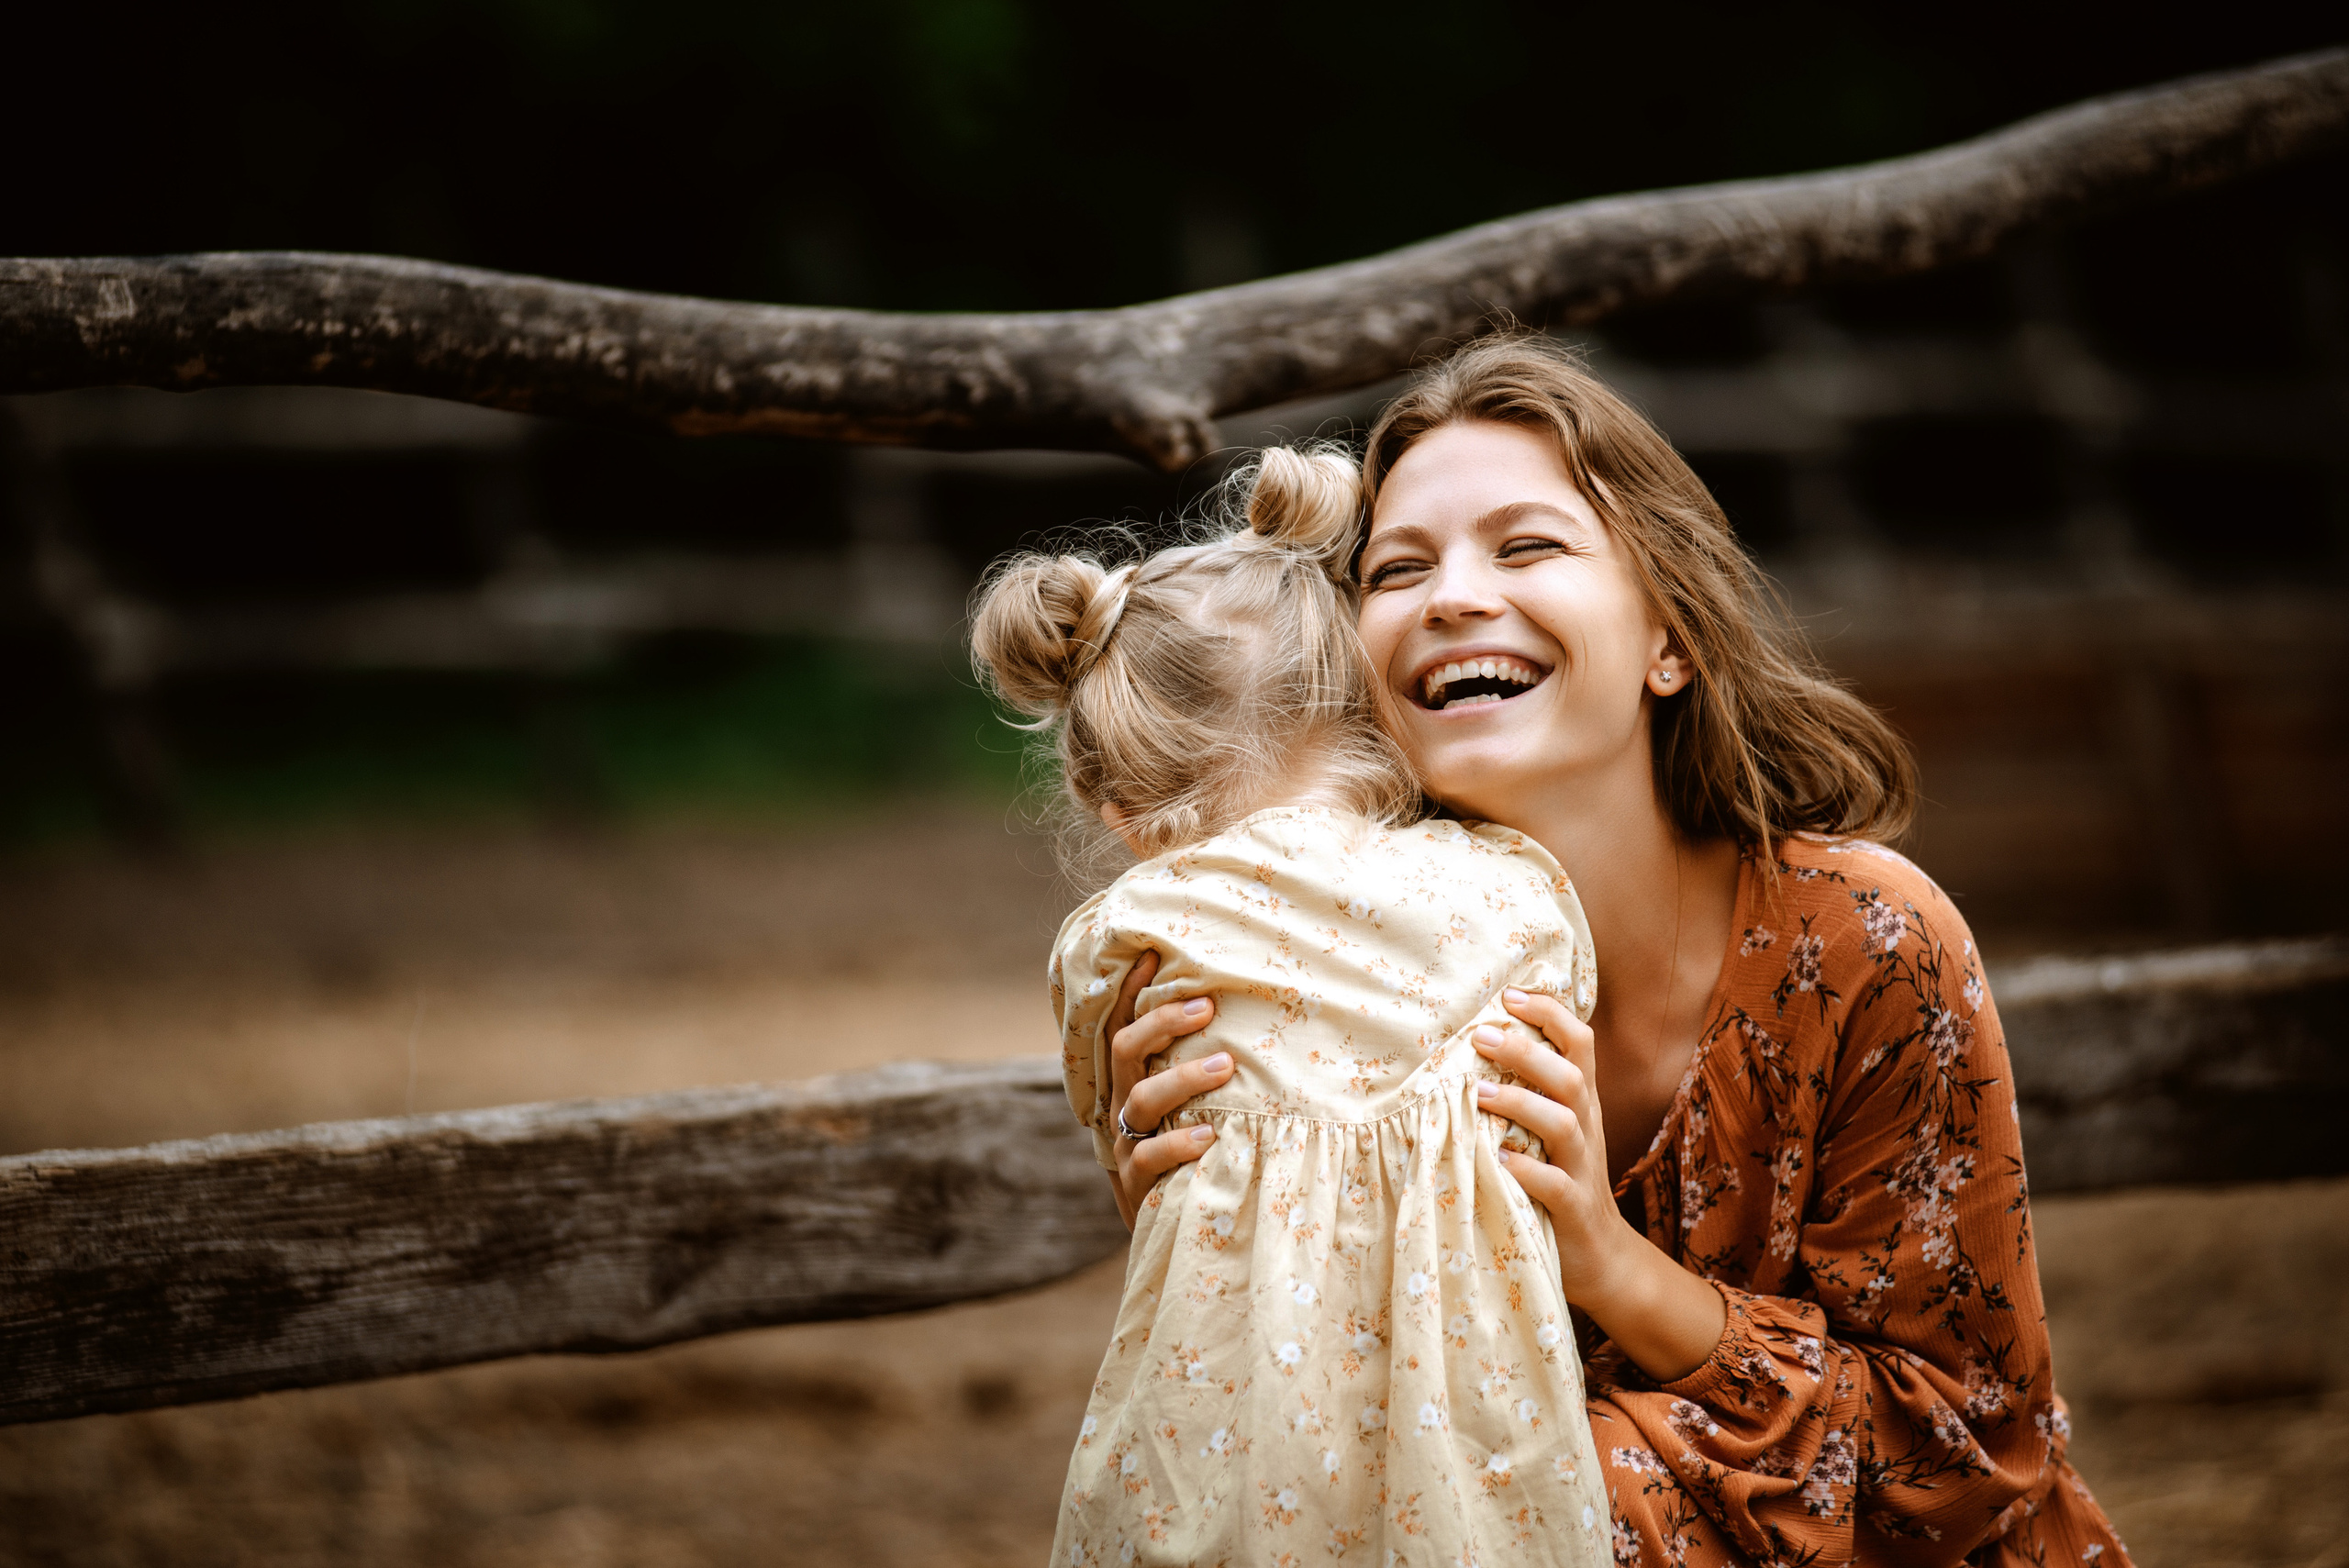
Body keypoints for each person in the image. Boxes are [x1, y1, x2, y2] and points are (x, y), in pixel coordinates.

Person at [1095, 335, 2133, 1567]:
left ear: (1669, 641)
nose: (1454, 595)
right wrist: (1222, 1229)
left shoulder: (1867, 941)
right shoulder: (1288, 983)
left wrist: (1608, 1259)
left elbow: (1964, 1460)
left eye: (1526, 546)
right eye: (1397, 569)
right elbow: (1313, 1462)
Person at [970, 445, 1612, 1566]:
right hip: (1469, 1438)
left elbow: (1112, 1104)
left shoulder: (1130, 933)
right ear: (1367, 712)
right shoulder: (1517, 890)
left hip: (1216, 1434)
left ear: (1123, 807)